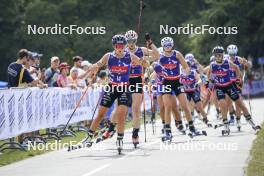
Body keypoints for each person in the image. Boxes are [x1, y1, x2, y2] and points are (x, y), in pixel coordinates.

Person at [81, 34, 149, 153]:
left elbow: (145, 65)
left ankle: (119, 139)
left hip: (124, 88)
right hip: (111, 88)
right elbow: (97, 64)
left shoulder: (129, 56)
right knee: (100, 114)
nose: (120, 48)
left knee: (121, 115)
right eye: (117, 45)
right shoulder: (109, 56)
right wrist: (93, 68)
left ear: (125, 45)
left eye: (122, 45)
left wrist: (143, 62)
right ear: (114, 46)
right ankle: (89, 136)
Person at [101, 30, 159, 146]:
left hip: (136, 79)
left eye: (133, 41)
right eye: (129, 41)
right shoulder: (122, 50)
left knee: (136, 108)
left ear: (136, 40)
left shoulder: (141, 50)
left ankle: (135, 134)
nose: (131, 43)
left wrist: (150, 42)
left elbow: (157, 55)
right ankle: (111, 128)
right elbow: (110, 60)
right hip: (124, 80)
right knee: (119, 108)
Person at [207, 46, 260, 135]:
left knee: (240, 104)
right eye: (216, 55)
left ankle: (252, 123)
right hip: (219, 87)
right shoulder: (212, 65)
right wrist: (210, 80)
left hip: (229, 86)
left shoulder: (227, 62)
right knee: (223, 105)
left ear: (223, 55)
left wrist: (239, 78)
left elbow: (236, 68)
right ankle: (226, 126)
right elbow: (208, 73)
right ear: (214, 56)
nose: (218, 57)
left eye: (220, 55)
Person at [157, 37, 202, 142]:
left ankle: (192, 128)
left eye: (169, 45)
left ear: (172, 45)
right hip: (166, 82)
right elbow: (155, 69)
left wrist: (185, 74)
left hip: (177, 81)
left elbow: (186, 67)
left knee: (185, 105)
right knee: (168, 106)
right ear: (163, 46)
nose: (168, 47)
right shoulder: (161, 56)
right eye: (166, 45)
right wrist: (149, 77)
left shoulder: (177, 54)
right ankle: (168, 131)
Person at [225, 44, 250, 130]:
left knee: (237, 102)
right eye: (231, 54)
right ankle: (231, 115)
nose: (232, 56)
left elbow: (247, 67)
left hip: (237, 82)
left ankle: (238, 121)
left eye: (234, 54)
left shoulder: (239, 59)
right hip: (227, 82)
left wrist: (246, 63)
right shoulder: (225, 59)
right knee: (227, 101)